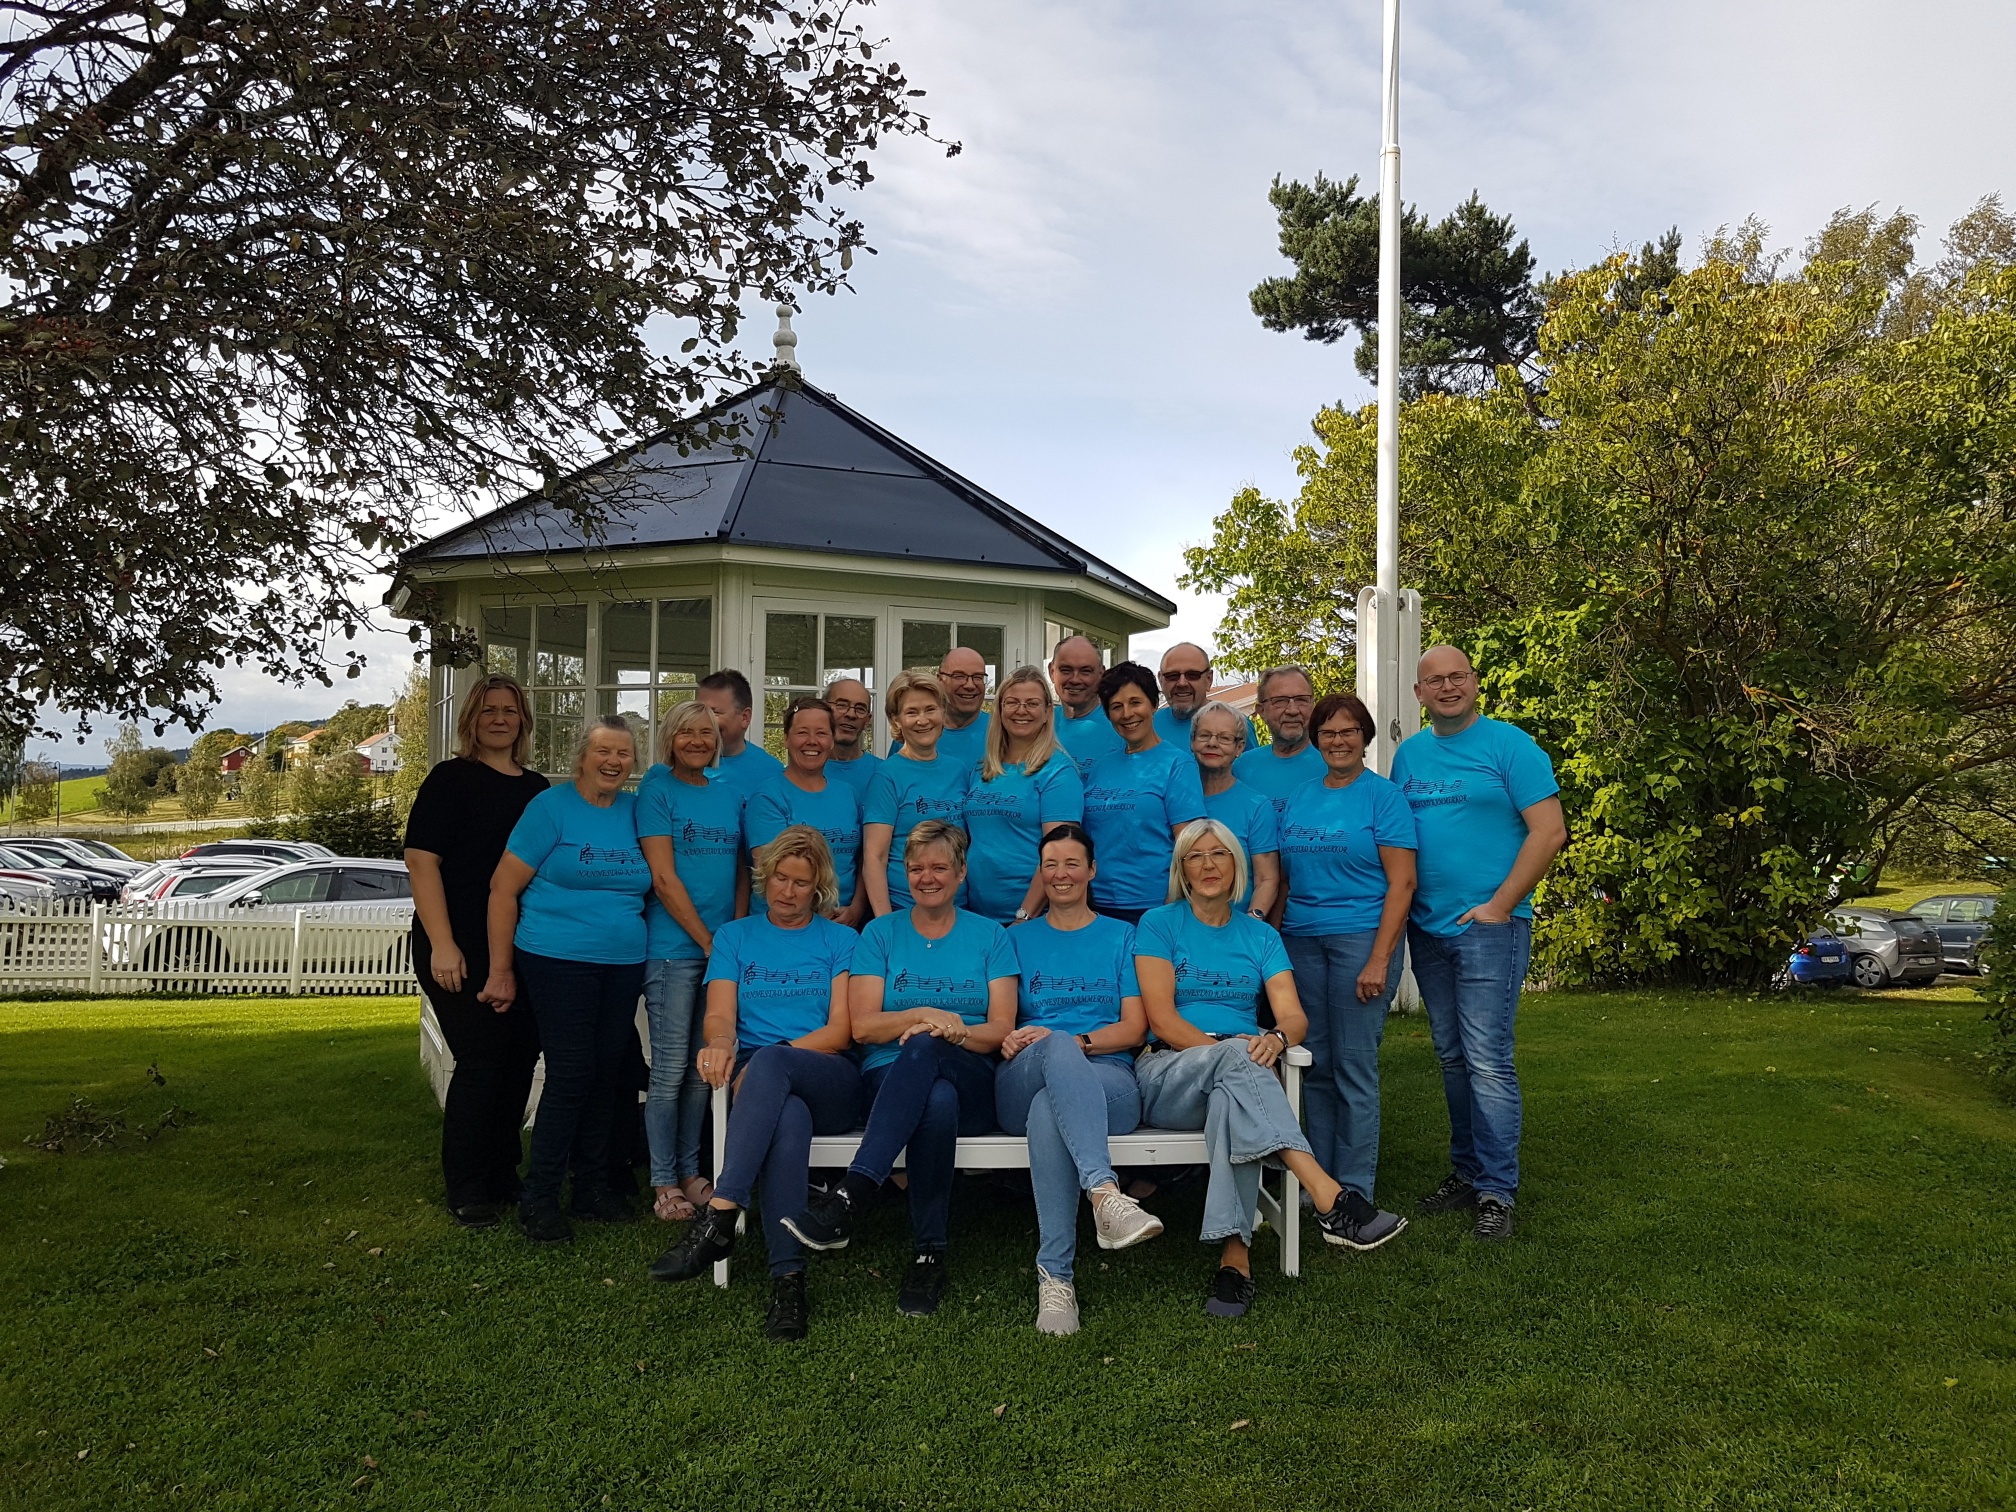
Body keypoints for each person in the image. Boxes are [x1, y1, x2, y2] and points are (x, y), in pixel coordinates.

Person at [779, 822, 1016, 1317]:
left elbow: (1000, 1029)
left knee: (931, 1054)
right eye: (916, 869)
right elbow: (863, 1027)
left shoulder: (990, 936)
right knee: (935, 1098)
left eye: (939, 867)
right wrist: (924, 1015)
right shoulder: (879, 934)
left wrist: (952, 1034)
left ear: (961, 873)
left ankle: (854, 1192)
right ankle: (929, 1255)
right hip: (889, 1080)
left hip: (971, 1076)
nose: (927, 878)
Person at [1133, 820, 1369, 1317]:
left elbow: (1294, 1017)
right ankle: (1325, 1191)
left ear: (1237, 865)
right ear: (1181, 869)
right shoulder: (1159, 924)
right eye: (1195, 856)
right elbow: (1162, 1020)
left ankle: (1234, 1263)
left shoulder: (1260, 936)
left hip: (1236, 1086)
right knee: (1240, 1064)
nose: (1208, 865)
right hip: (1169, 1073)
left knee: (1232, 1104)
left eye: (1219, 854)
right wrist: (1234, 1054)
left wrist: (1277, 1039)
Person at [648, 827, 859, 1343]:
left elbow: (840, 1031)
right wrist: (720, 1043)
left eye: (801, 883)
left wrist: (770, 1059)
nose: (788, 891)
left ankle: (721, 1213)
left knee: (770, 1063)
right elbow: (720, 1016)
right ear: (765, 877)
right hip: (765, 1090)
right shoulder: (734, 937)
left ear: (818, 887)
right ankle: (788, 1284)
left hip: (828, 1073)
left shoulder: (841, 940)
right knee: (787, 1119)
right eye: (780, 878)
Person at [1389, 646, 1566, 1243]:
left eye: (1457, 676)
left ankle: (1496, 1190)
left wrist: (1500, 905)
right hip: (1429, 928)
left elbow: (1550, 831)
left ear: (1474, 682)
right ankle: (1467, 1172)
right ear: (1419, 693)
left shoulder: (1511, 746)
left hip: (1491, 929)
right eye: (1434, 681)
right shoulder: (1410, 756)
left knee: (1487, 1059)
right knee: (1452, 1056)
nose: (1447, 687)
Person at [482, 715, 654, 1244]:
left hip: (622, 962)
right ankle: (539, 1197)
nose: (613, 761)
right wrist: (500, 970)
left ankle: (591, 1187)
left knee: (607, 1072)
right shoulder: (550, 808)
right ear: (582, 757)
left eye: (623, 753)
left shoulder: (637, 811)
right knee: (572, 1073)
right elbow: (502, 889)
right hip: (556, 958)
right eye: (603, 751)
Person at [995, 822, 1162, 1335]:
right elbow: (1000, 1021)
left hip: (1107, 1080)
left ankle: (1056, 1278)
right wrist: (1011, 1038)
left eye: (1072, 863)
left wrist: (1077, 1041)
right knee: (1054, 1053)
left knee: (1052, 1105)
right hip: (1023, 1075)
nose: (1061, 874)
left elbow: (1135, 1028)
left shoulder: (1122, 936)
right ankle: (1105, 1195)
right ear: (1040, 873)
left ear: (1092, 870)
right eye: (1051, 865)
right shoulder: (1014, 939)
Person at [404, 674, 551, 1228]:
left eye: (509, 710)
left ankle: (501, 1172)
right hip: (457, 943)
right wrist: (442, 944)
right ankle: (466, 1186)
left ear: (523, 721)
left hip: (518, 945)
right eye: (489, 710)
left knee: (519, 1058)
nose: (499, 719)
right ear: (471, 720)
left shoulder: (537, 789)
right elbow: (421, 862)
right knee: (483, 1058)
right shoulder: (450, 779)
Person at [1277, 693, 1416, 1247]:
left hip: (1361, 939)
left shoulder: (1384, 798)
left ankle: (1354, 1187)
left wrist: (1380, 958)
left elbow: (1403, 883)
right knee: (1314, 1064)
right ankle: (1322, 1184)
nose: (1338, 741)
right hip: (1302, 940)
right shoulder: (1300, 796)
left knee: (1354, 1066)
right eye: (1329, 733)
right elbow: (1286, 878)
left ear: (1365, 738)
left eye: (1349, 732)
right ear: (1316, 740)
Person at [635, 699, 748, 1224]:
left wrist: (735, 935)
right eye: (686, 733)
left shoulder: (728, 793)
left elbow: (742, 871)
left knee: (705, 1069)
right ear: (670, 739)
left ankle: (689, 1169)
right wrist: (707, 941)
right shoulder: (657, 789)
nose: (698, 741)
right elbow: (663, 878)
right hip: (674, 951)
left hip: (718, 949)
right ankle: (663, 1180)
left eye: (706, 733)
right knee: (670, 1069)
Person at [1080, 661, 1206, 924]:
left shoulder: (1177, 765)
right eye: (1116, 706)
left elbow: (1190, 846)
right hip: (1094, 905)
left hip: (1152, 907)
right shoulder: (1101, 767)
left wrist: (1169, 912)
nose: (1127, 714)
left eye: (1135, 702)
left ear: (1154, 704)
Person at [962, 666, 1085, 923]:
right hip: (977, 916)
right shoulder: (983, 768)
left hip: (1033, 917)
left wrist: (1024, 916)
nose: (1021, 710)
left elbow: (1059, 854)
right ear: (999, 710)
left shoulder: (1058, 771)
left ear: (1047, 712)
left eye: (1032, 703)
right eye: (1012, 702)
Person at [746, 697, 867, 927]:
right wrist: (820, 916)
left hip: (844, 926)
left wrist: (857, 908)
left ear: (832, 740)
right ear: (786, 739)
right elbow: (771, 872)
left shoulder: (848, 793)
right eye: (802, 732)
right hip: (785, 927)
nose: (812, 741)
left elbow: (864, 858)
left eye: (821, 733)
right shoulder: (768, 797)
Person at [862, 671, 973, 915]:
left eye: (930, 709)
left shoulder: (959, 771)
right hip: (905, 911)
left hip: (958, 911)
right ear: (896, 721)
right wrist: (885, 922)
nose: (923, 720)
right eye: (912, 712)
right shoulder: (887, 776)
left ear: (943, 712)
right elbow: (874, 857)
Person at [1191, 699, 1280, 918]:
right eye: (1204, 735)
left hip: (1238, 926)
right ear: (1192, 741)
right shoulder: (1176, 798)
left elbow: (1267, 878)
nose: (1212, 743)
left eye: (1224, 738)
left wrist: (1252, 923)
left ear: (1239, 747)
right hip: (1183, 927)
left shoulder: (1256, 807)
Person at [1233, 665, 1326, 816]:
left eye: (1301, 700)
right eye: (1280, 701)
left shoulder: (1332, 766)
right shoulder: (1241, 768)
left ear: (1313, 705)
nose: (1292, 710)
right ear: (1261, 711)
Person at [1152, 642, 1256, 753]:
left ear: (1208, 679)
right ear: (1160, 680)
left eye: (1193, 675)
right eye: (1172, 676)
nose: (1182, 683)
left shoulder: (1236, 724)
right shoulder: (1149, 726)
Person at [697, 668, 784, 801]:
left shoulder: (772, 773)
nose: (702, 720)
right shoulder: (676, 767)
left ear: (745, 717)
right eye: (698, 711)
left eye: (714, 712)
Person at [1049, 634, 1123, 775]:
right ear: (1052, 672)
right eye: (1066, 670)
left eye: (1085, 671)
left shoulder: (1120, 726)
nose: (1075, 680)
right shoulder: (1039, 725)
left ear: (1101, 674)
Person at [823, 676, 882, 800]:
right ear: (824, 710)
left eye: (860, 709)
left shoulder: (883, 773)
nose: (851, 714)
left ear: (868, 720)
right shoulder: (804, 771)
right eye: (842, 705)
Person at [934, 646, 993, 769]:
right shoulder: (916, 732)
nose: (970, 685)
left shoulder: (1001, 732)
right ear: (940, 680)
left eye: (978, 677)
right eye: (959, 676)